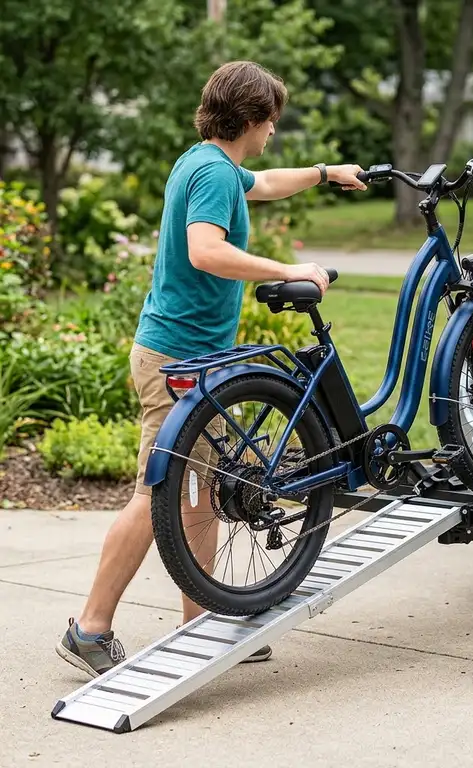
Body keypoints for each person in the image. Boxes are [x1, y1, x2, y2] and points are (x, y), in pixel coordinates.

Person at [56, 60, 367, 678]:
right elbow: (206, 248)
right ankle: (89, 629)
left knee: (194, 495)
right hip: (176, 358)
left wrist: (327, 173)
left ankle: (201, 624)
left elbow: (269, 183)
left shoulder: (207, 162)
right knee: (157, 495)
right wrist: (289, 270)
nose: (273, 131)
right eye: (272, 120)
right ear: (252, 118)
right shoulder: (213, 175)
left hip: (193, 359)